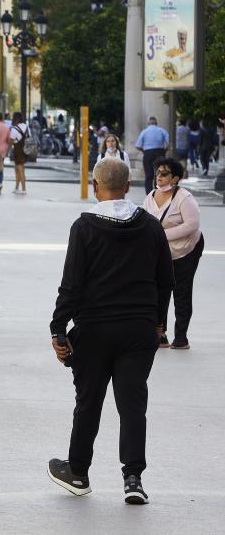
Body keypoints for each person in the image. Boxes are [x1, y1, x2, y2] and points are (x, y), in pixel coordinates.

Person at [48, 157, 173, 506]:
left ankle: (77, 471)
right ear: (128, 184)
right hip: (138, 329)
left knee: (89, 401)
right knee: (132, 403)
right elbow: (166, 280)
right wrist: (158, 322)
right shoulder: (149, 227)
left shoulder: (84, 227)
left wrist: (58, 328)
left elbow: (71, 285)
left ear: (95, 184)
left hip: (95, 329)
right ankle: (133, 477)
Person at [143, 157, 203, 350]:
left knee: (181, 292)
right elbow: (144, 223)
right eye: (157, 173)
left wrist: (162, 235)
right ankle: (160, 334)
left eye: (164, 173)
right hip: (162, 253)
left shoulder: (184, 197)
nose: (158, 177)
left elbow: (192, 225)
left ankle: (181, 336)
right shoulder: (150, 196)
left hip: (187, 250)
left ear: (175, 178)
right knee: (160, 292)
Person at [135, 116, 169, 195]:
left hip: (148, 153)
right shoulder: (162, 130)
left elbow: (137, 145)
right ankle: (159, 192)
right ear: (156, 123)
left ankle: (149, 194)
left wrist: (144, 151)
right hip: (160, 152)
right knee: (159, 173)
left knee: (148, 175)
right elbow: (169, 143)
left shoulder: (144, 132)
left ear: (148, 123)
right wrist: (164, 150)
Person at [8, 112, 29, 194]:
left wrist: (7, 151)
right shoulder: (27, 126)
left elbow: (11, 141)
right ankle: (17, 187)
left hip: (18, 150)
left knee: (20, 169)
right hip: (25, 149)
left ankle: (23, 189)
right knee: (18, 168)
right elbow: (29, 136)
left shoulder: (14, 128)